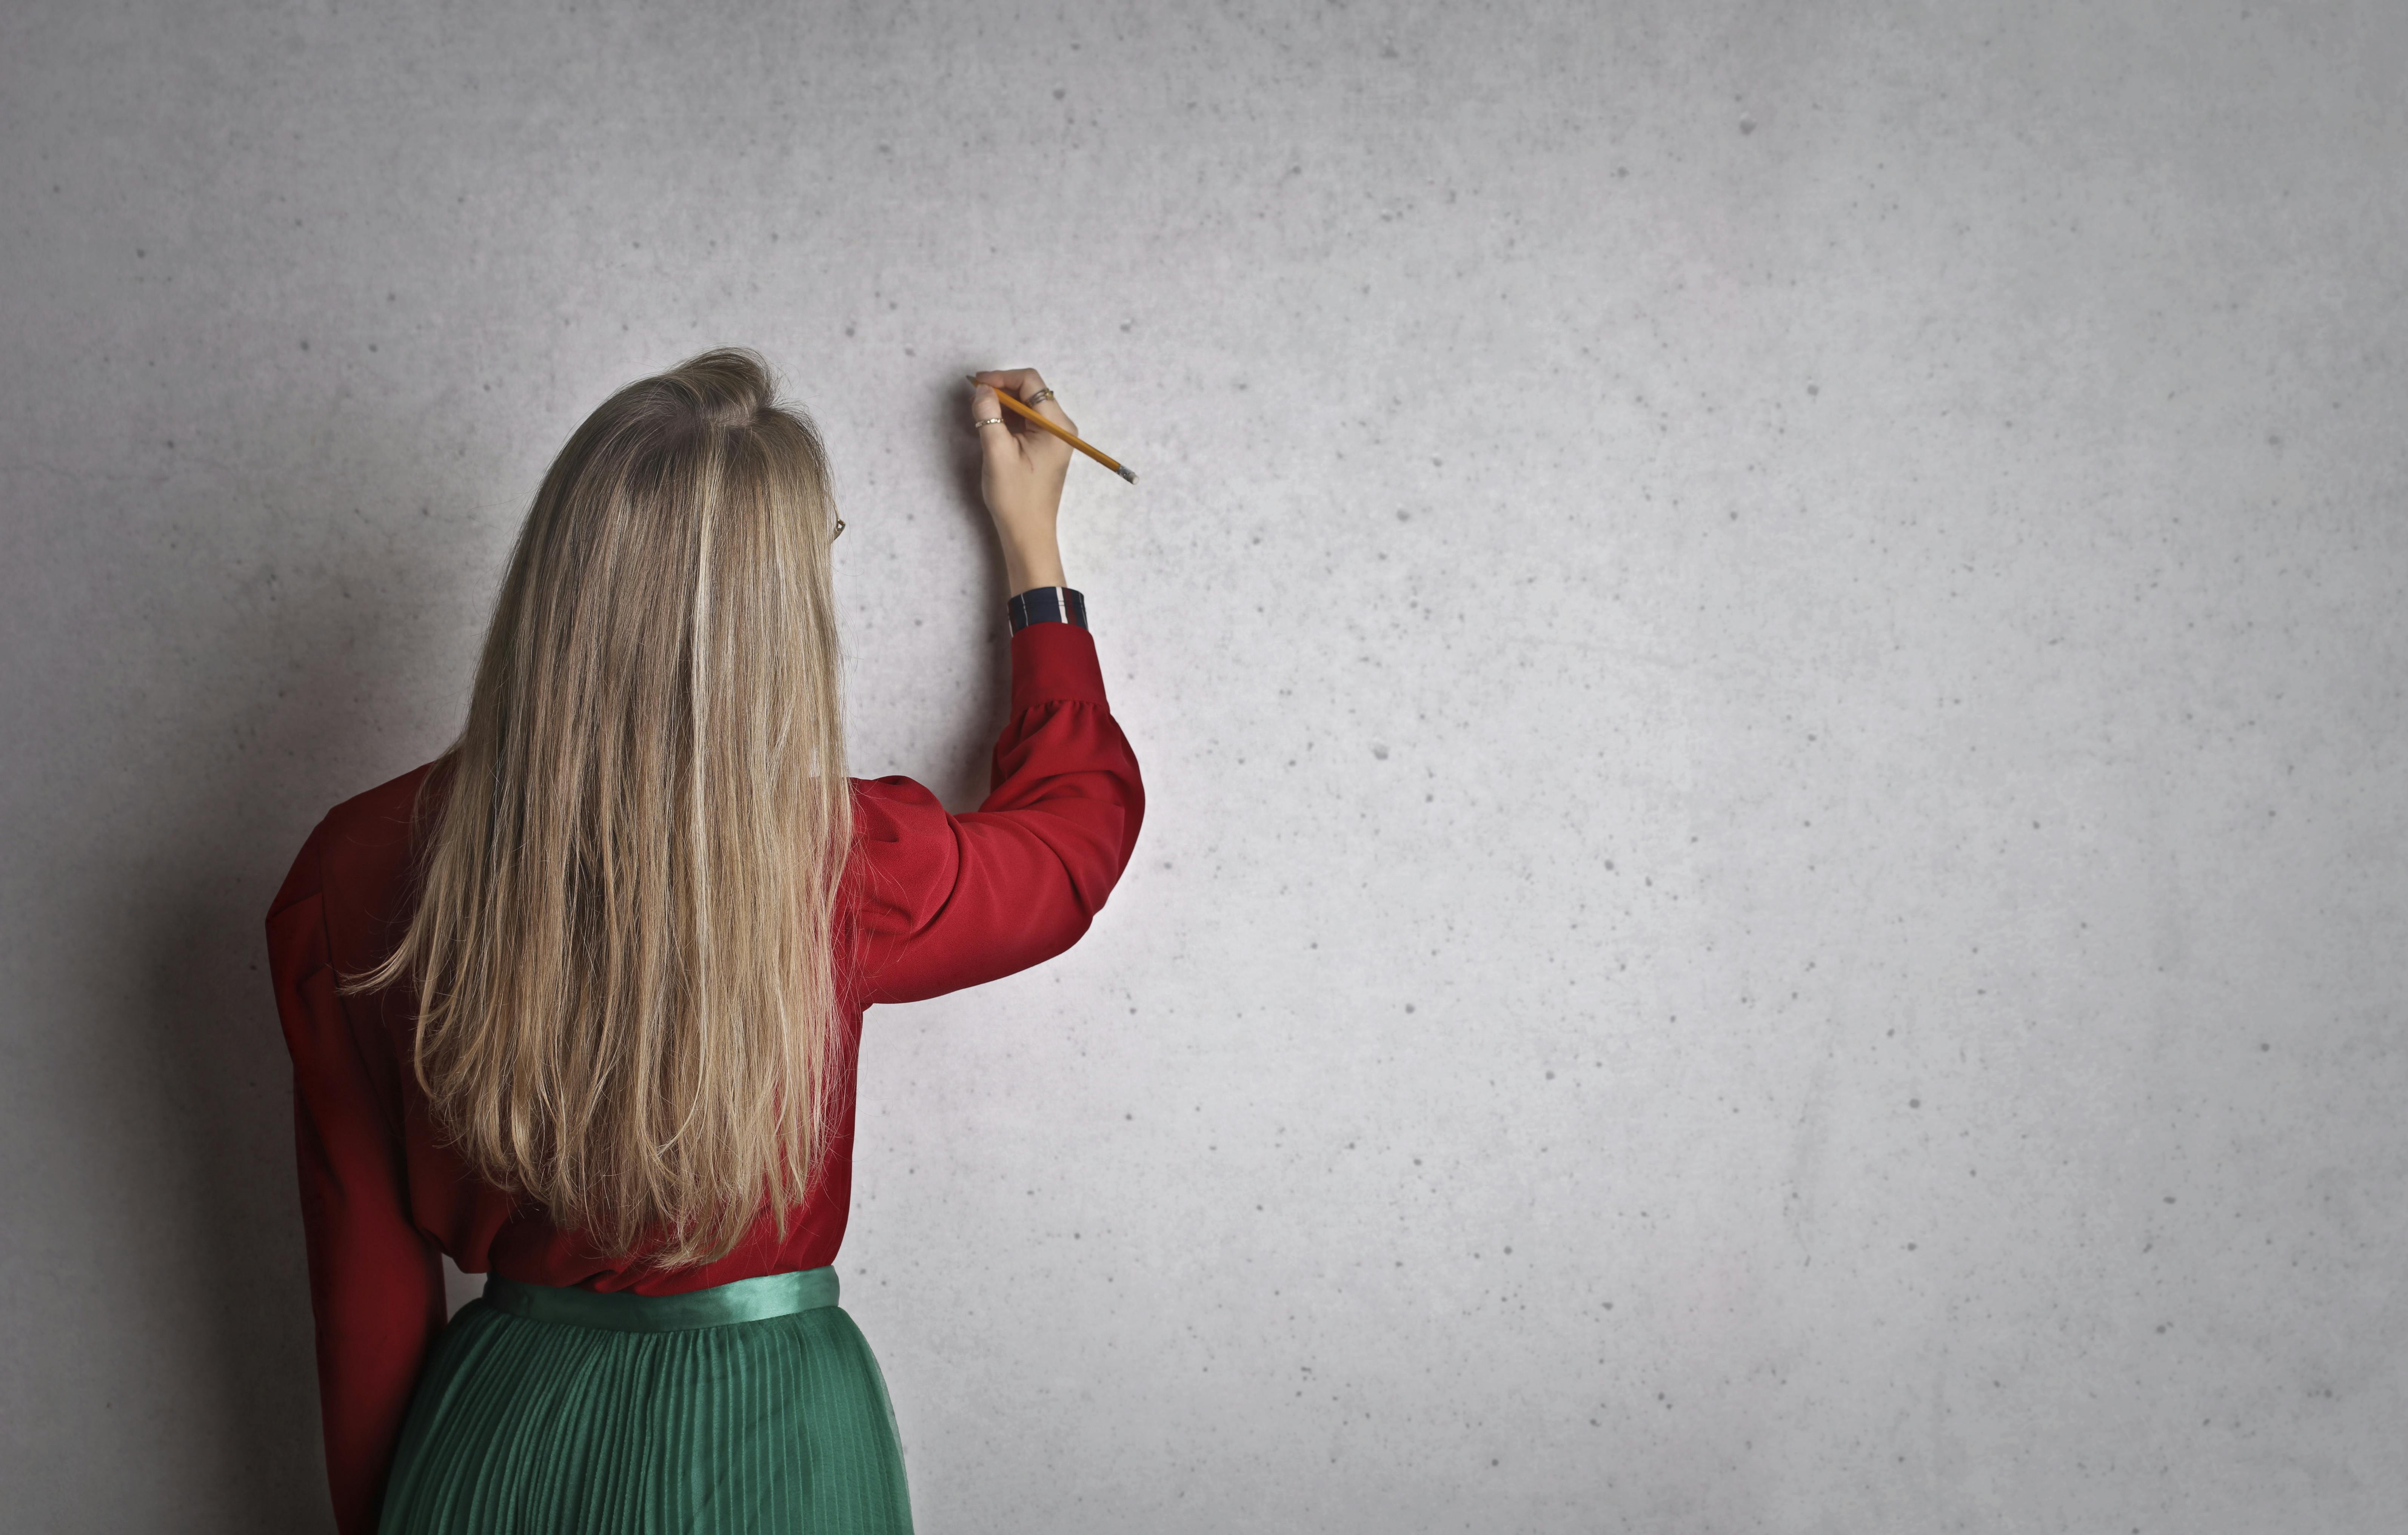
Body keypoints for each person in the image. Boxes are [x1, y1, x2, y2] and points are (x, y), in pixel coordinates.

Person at [262, 351, 1144, 1534]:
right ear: (779, 610)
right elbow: (1070, 844)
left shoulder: (355, 867)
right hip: (772, 1434)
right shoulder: (847, 860)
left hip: (498, 1437)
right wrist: (1033, 556)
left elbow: (364, 1286)